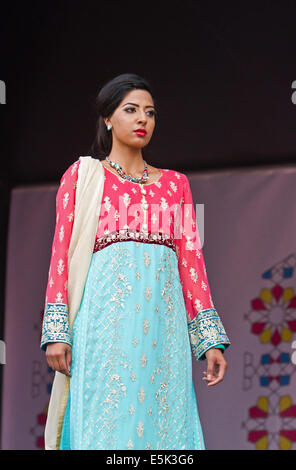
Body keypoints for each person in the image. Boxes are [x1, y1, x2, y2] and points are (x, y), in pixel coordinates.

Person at [41, 73, 231, 450]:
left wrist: (210, 342)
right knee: (105, 423)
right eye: (131, 110)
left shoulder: (176, 184)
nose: (143, 119)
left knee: (164, 426)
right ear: (108, 118)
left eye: (150, 112)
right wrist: (57, 333)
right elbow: (60, 255)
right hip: (102, 330)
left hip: (164, 331)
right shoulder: (83, 176)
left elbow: (192, 263)